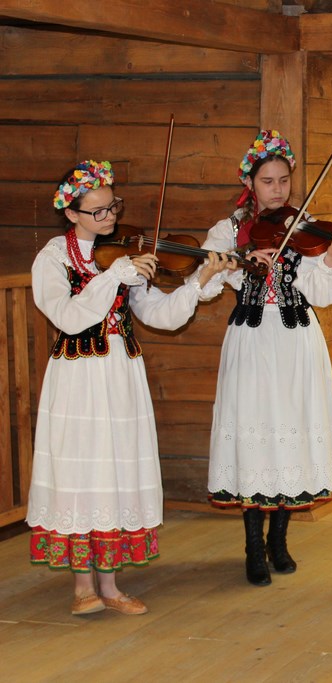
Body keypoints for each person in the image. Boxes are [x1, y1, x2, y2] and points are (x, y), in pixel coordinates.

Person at [28, 160, 232, 616]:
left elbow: (160, 315)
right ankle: (82, 586)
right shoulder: (53, 258)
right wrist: (112, 276)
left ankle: (111, 584)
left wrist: (197, 283)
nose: (110, 218)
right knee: (81, 468)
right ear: (72, 214)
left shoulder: (124, 253)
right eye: (98, 211)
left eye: (113, 207)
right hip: (77, 377)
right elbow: (68, 317)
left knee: (117, 466)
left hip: (121, 372)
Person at [200, 130, 332, 586]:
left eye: (284, 180)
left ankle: (279, 542)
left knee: (290, 431)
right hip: (251, 342)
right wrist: (232, 262)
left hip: (295, 343)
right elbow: (204, 287)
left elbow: (322, 295)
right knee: (254, 434)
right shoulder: (229, 231)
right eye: (267, 181)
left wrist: (331, 262)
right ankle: (253, 547)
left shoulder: (304, 228)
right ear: (249, 182)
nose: (278, 190)